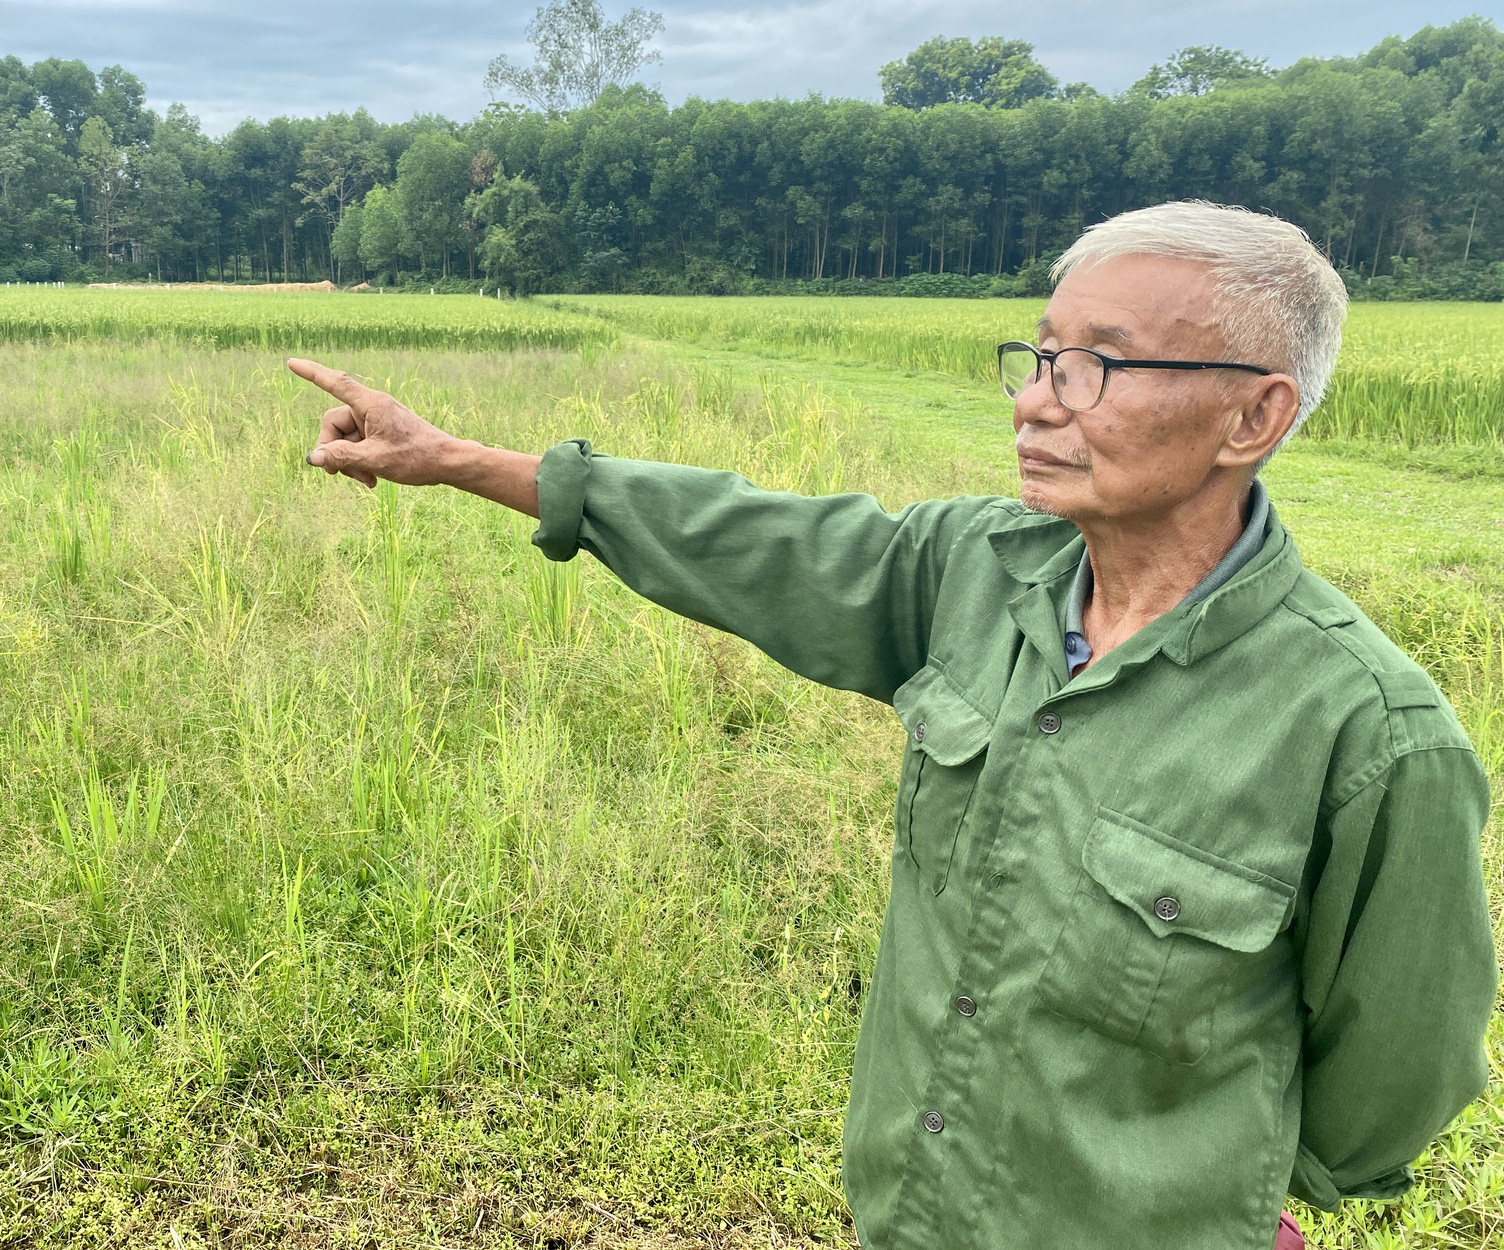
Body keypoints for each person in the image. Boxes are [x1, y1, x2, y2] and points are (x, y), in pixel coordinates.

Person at [287, 200, 1496, 1250]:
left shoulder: (1365, 731)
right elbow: (754, 540)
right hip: (912, 1206)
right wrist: (454, 459)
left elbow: (1394, 1073)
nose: (1034, 400)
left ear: (1251, 419)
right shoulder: (974, 571)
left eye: (1096, 367)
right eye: (1039, 353)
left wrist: (1185, 1183)